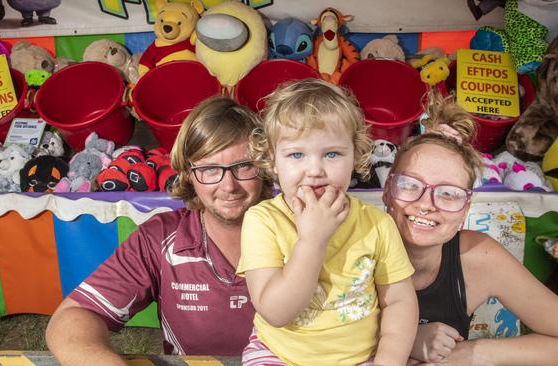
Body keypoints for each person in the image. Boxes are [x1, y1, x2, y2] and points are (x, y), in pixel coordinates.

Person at [46, 97, 272, 365]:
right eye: (210, 169)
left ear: (264, 166)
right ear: (188, 173)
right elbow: (74, 317)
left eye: (242, 166)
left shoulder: (300, 230)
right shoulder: (161, 238)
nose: (229, 185)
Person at [382, 91, 558, 365]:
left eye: (449, 193)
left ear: (465, 208)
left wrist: (473, 353)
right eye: (411, 185)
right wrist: (408, 339)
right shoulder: (351, 245)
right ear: (388, 190)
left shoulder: (475, 257)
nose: (427, 203)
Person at [237, 79, 418, 366]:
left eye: (332, 154)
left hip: (361, 358)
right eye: (296, 154)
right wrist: (312, 240)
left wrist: (388, 362)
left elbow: (399, 302)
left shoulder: (377, 224)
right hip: (279, 355)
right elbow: (276, 312)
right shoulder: (263, 221)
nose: (315, 170)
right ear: (272, 160)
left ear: (356, 156)